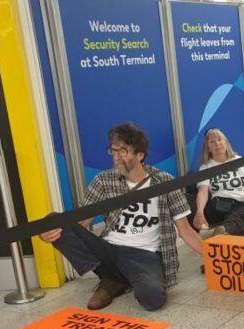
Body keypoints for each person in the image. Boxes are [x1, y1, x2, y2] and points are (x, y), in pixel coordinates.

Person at [39, 122, 204, 311]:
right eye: (113, 151)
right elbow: (81, 222)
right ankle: (109, 277)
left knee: (153, 300)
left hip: (143, 253)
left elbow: (185, 229)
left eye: (123, 152)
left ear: (140, 155)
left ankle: (117, 281)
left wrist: (215, 259)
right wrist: (52, 232)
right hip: (109, 249)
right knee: (54, 219)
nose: (116, 157)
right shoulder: (103, 180)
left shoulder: (164, 181)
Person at [192, 128, 244, 235]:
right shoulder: (205, 167)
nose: (217, 144)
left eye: (219, 140)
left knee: (237, 219)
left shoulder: (240, 161)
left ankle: (222, 231)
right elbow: (203, 192)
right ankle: (204, 235)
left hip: (240, 204)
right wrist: (199, 212)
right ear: (208, 148)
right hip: (218, 205)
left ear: (226, 142)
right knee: (192, 211)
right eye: (212, 142)